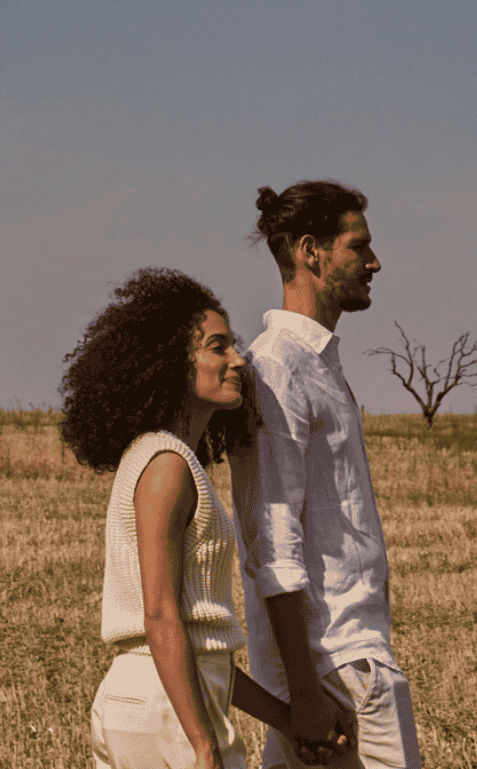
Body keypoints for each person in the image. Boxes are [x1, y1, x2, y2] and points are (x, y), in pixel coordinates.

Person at [64, 267, 295, 768]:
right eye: (219, 347)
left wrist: (288, 720)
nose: (238, 360)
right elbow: (160, 615)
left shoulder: (166, 458)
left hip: (159, 695)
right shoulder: (167, 466)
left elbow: (200, 646)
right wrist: (201, 743)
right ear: (174, 364)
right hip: (163, 706)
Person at [232, 180, 422, 769]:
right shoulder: (278, 367)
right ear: (311, 251)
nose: (374, 261)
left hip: (341, 665)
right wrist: (306, 695)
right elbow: (275, 541)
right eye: (357, 247)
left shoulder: (316, 364)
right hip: (338, 666)